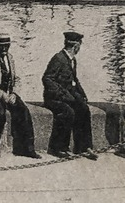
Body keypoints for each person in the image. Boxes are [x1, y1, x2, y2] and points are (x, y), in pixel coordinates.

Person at [0, 33, 39, 159]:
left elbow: (16, 78)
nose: (4, 49)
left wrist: (14, 93)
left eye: (6, 46)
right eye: (1, 46)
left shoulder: (10, 58)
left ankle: (26, 148)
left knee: (24, 111)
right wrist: (3, 95)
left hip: (9, 94)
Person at [42, 30, 97, 159]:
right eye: (79, 46)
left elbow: (74, 80)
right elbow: (47, 79)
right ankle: (58, 148)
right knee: (68, 112)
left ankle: (84, 147)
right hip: (54, 99)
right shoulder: (58, 59)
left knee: (84, 108)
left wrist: (82, 94)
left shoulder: (72, 60)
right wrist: (63, 95)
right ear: (75, 46)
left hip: (67, 96)